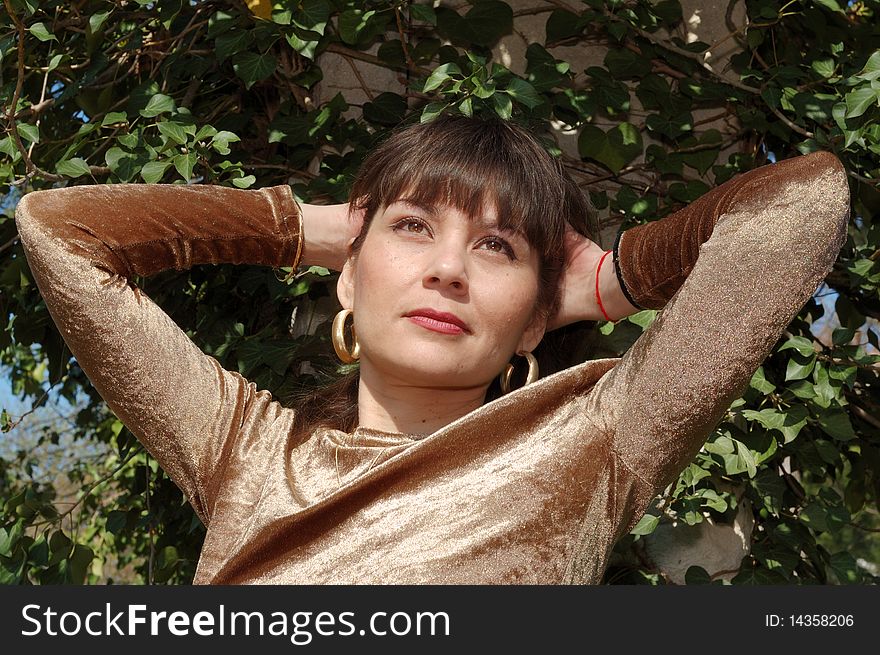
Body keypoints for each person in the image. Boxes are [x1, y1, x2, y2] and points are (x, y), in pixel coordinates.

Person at [14, 114, 849, 584]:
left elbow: (806, 201)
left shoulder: (594, 445)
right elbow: (58, 230)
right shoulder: (244, 449)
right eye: (413, 228)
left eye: (499, 248)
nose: (447, 268)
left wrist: (614, 279)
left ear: (535, 320)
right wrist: (306, 229)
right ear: (348, 276)